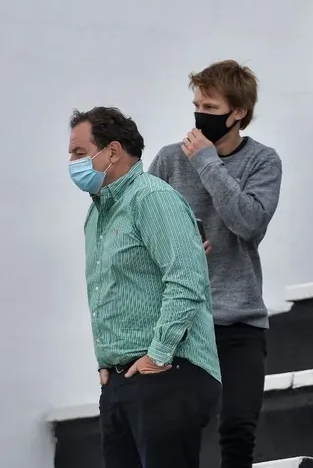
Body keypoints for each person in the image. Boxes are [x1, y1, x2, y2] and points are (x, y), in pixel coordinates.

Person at [69, 106, 221, 468]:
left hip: (167, 374)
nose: (71, 163)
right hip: (122, 382)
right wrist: (108, 365)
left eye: (78, 152)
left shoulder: (151, 197)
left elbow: (186, 278)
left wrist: (159, 354)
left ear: (113, 151)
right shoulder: (96, 215)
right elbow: (109, 293)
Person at [148, 60, 282, 468]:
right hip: (182, 325)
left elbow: (249, 224)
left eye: (210, 107)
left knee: (238, 430)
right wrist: (176, 249)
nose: (199, 115)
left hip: (240, 322)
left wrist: (208, 162)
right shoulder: (169, 160)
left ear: (238, 112)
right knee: (176, 434)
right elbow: (139, 233)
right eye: (197, 106)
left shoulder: (263, 161)